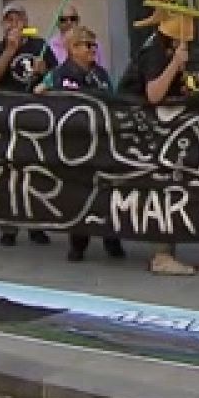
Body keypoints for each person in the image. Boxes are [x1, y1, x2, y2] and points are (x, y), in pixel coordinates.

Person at [38, 25, 125, 263]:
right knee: (77, 194)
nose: (92, 50)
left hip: (101, 143)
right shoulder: (58, 75)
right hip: (73, 145)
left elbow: (114, 100)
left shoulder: (101, 75)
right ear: (72, 48)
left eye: (93, 45)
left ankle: (112, 239)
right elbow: (37, 95)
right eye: (87, 45)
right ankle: (78, 244)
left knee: (107, 194)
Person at [120, 15, 198, 275]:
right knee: (163, 188)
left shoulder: (163, 47)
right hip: (142, 129)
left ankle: (167, 251)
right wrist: (175, 65)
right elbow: (153, 93)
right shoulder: (154, 51)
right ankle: (162, 255)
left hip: (156, 128)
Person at [0, 2, 56, 247]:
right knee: (8, 174)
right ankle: (9, 227)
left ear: (26, 22)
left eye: (18, 19)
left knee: (35, 173)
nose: (13, 24)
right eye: (8, 19)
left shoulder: (40, 46)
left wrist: (44, 70)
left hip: (35, 118)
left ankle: (36, 226)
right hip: (7, 118)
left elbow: (57, 78)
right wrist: (9, 51)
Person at [46, 3, 107, 72]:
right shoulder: (49, 46)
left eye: (73, 19)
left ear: (78, 20)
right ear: (57, 23)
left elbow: (102, 70)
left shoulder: (93, 43)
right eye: (63, 19)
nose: (69, 22)